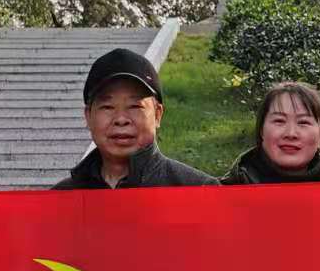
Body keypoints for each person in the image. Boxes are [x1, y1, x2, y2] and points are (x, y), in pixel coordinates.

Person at [55, 47, 216, 189]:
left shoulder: (200, 190)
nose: (121, 119)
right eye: (107, 107)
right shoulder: (61, 199)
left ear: (157, 114)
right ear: (88, 117)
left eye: (134, 106)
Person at [219, 81, 320, 184]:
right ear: (262, 130)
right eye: (279, 121)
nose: (291, 133)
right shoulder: (223, 194)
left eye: (303, 122)